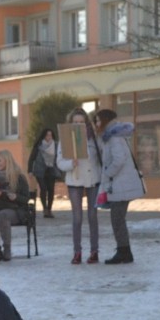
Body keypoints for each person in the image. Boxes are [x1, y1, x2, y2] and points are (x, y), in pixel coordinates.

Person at [95, 109, 145, 264]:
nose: (96, 124)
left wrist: (108, 173)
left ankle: (124, 252)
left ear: (104, 120)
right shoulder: (113, 135)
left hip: (120, 184)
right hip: (120, 184)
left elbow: (119, 159)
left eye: (97, 120)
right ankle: (124, 250)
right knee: (118, 219)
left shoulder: (114, 137)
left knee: (117, 219)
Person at [57, 108, 102, 264]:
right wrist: (71, 163)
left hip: (92, 180)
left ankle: (94, 251)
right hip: (74, 181)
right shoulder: (65, 139)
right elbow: (59, 162)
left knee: (92, 216)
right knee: (77, 218)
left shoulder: (94, 138)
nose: (78, 125)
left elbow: (100, 158)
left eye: (81, 122)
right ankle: (77, 252)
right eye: (75, 122)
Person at [0, 149, 30, 261]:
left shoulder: (19, 176)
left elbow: (26, 198)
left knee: (3, 214)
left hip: (14, 209)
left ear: (7, 161)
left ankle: (7, 248)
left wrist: (16, 197)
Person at [27, 128, 59, 217]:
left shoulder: (56, 145)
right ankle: (44, 208)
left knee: (51, 189)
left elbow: (60, 157)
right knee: (43, 188)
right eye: (47, 135)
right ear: (44, 136)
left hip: (51, 169)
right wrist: (30, 170)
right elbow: (31, 158)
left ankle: (49, 209)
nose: (49, 137)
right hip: (40, 170)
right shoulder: (39, 146)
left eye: (50, 135)